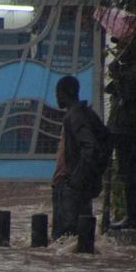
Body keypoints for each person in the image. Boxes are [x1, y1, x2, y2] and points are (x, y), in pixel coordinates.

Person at [105, 35, 136, 230]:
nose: (119, 51)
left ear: (131, 49)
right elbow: (111, 90)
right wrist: (116, 73)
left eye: (122, 47)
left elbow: (128, 98)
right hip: (121, 129)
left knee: (130, 173)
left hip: (131, 131)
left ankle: (134, 217)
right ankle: (131, 215)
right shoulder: (127, 71)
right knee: (124, 173)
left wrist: (118, 76)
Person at [51, 75, 103, 240]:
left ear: (65, 93)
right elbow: (106, 140)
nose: (57, 97)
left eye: (58, 93)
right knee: (74, 242)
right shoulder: (86, 113)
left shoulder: (76, 116)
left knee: (64, 239)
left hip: (70, 185)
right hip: (76, 184)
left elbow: (91, 147)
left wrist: (76, 178)